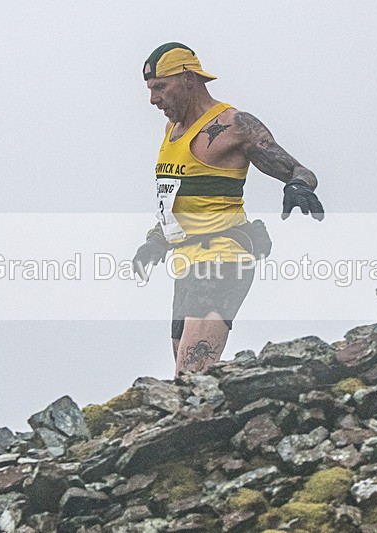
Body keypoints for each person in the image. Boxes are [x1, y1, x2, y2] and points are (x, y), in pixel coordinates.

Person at [133, 42, 324, 376]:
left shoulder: (234, 125)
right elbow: (174, 199)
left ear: (188, 78)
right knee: (186, 377)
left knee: (190, 379)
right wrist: (155, 241)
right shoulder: (172, 132)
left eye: (160, 87)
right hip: (187, 262)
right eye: (150, 90)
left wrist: (297, 186)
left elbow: (299, 170)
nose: (153, 99)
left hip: (223, 259)